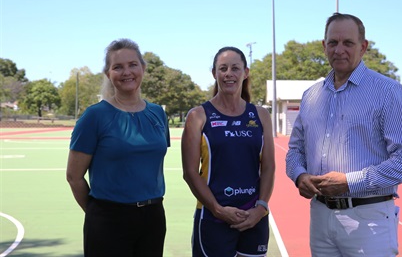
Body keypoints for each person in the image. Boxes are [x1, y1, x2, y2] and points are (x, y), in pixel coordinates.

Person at [286, 13, 402, 257]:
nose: (339, 50)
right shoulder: (312, 95)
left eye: (347, 43)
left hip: (368, 220)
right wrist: (299, 175)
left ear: (363, 47)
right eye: (333, 43)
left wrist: (349, 181)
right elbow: (295, 150)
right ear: (324, 46)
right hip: (320, 216)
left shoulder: (388, 92)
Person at [66, 38, 170, 257]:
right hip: (108, 220)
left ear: (143, 68)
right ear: (108, 74)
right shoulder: (94, 116)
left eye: (133, 64)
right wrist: (99, 214)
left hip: (153, 217)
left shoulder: (157, 114)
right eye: (118, 67)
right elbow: (74, 177)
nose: (127, 72)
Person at [181, 46, 275, 257]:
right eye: (223, 68)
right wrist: (217, 209)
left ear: (246, 72)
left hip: (254, 217)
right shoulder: (198, 116)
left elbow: (268, 167)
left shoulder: (260, 115)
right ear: (214, 73)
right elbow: (190, 172)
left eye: (235, 68)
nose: (229, 74)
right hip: (213, 217)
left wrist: (260, 209)